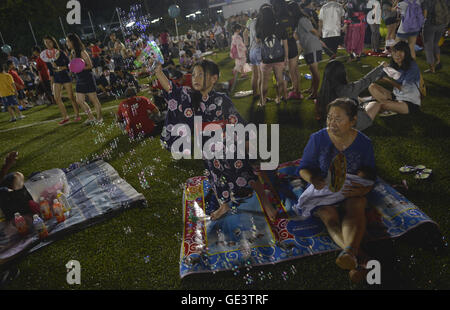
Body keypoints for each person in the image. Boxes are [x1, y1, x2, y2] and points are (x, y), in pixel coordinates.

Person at [155, 58, 279, 221]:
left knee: (246, 174)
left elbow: (236, 120)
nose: (195, 78)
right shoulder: (190, 98)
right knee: (216, 179)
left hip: (229, 146)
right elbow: (172, 90)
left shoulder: (222, 99)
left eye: (201, 75)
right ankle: (224, 205)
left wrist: (247, 141)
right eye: (193, 75)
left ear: (214, 78)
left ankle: (266, 203)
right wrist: (158, 72)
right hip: (208, 150)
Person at [296, 98, 376, 279]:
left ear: (353, 120)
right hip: (324, 191)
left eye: (338, 119)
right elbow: (303, 168)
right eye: (329, 118)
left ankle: (352, 255)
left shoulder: (364, 142)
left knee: (357, 205)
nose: (332, 123)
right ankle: (357, 256)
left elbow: (370, 171)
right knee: (328, 215)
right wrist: (313, 179)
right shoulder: (317, 139)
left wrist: (362, 187)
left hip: (350, 191)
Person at [317, 60, 387, 128]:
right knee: (375, 104)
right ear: (342, 74)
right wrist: (381, 67)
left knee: (358, 100)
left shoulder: (323, 92)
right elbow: (366, 80)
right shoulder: (349, 89)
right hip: (351, 125)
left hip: (330, 126)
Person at [367, 41, 422, 117]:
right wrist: (381, 70)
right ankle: (390, 106)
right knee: (372, 86)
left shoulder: (412, 67)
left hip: (409, 102)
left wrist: (387, 80)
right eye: (395, 52)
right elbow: (379, 76)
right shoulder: (394, 64)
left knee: (382, 105)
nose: (397, 55)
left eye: (401, 52)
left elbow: (404, 89)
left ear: (406, 53)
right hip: (395, 96)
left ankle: (388, 106)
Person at [43, 36, 81, 125]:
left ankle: (77, 115)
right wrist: (51, 83)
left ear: (53, 42)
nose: (48, 44)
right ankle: (65, 117)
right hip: (56, 78)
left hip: (64, 75)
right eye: (46, 42)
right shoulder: (46, 56)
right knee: (57, 98)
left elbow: (69, 65)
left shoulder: (60, 52)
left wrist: (60, 67)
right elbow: (51, 72)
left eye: (49, 42)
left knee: (71, 96)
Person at [256, 4, 289, 106]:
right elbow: (285, 43)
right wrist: (286, 57)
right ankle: (278, 98)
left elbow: (257, 41)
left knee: (264, 81)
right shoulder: (279, 26)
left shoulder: (259, 27)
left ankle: (263, 101)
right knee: (280, 79)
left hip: (266, 58)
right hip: (279, 57)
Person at [66, 33, 101, 125]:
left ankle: (99, 118)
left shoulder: (81, 51)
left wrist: (79, 68)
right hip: (79, 78)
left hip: (87, 77)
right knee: (79, 100)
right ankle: (91, 117)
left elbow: (90, 65)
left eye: (68, 41)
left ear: (73, 42)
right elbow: (74, 66)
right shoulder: (72, 52)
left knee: (93, 99)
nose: (67, 43)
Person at [274, 0, 303, 100]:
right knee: (294, 70)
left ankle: (290, 93)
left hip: (283, 47)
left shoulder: (277, 19)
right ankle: (297, 90)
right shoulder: (291, 17)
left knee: (286, 72)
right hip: (292, 44)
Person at [296, 7, 323, 100]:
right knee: (311, 70)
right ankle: (312, 89)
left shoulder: (302, 20)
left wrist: (319, 36)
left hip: (312, 47)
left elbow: (312, 30)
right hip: (308, 47)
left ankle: (315, 93)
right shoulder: (298, 21)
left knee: (315, 71)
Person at [422, 0, 449, 73]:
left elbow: (424, 15)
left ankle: (432, 69)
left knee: (428, 47)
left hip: (430, 25)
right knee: (435, 44)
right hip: (442, 24)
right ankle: (438, 61)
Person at [0, 54, 25, 122]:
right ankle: (20, 115)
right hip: (10, 92)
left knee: (8, 107)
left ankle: (13, 117)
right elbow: (13, 84)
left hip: (2, 94)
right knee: (14, 104)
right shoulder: (8, 75)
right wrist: (16, 91)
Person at [246, 12, 263, 102]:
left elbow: (245, 33)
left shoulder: (251, 22)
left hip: (251, 50)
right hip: (257, 50)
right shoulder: (259, 24)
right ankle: (261, 95)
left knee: (254, 74)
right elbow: (257, 39)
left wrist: (246, 44)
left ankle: (255, 93)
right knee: (260, 75)